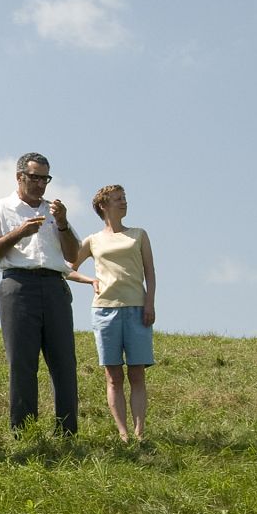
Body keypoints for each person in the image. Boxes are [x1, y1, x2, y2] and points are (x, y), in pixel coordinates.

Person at [0, 152, 81, 435]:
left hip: (55, 286)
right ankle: (24, 432)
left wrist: (62, 223)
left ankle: (67, 432)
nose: (40, 184)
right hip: (18, 286)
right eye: (34, 177)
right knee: (22, 362)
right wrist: (19, 233)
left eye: (44, 178)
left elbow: (73, 256)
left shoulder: (54, 211)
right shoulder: (0, 208)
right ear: (19, 176)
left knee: (64, 362)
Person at [67, 185, 156, 442]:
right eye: (118, 199)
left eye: (125, 198)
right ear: (103, 205)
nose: (124, 202)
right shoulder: (93, 240)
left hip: (137, 309)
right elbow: (67, 267)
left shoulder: (139, 235)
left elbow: (150, 272)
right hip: (105, 311)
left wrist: (149, 303)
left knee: (137, 372)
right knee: (113, 375)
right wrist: (89, 280)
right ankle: (123, 433)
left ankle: (140, 432)